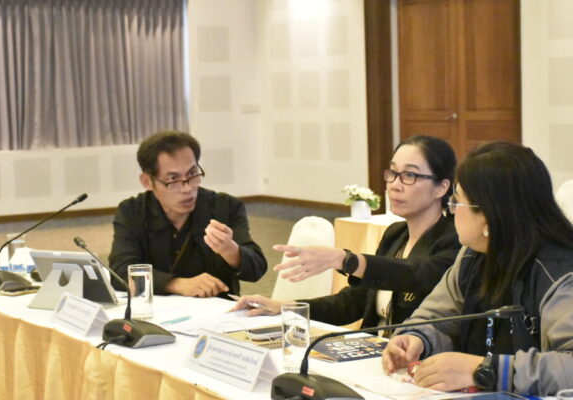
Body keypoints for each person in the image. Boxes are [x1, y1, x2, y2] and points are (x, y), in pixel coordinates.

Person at [382, 142, 573, 396]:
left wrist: (484, 370)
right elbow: (436, 319)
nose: (451, 210)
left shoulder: (568, 278)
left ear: (489, 217)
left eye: (457, 202)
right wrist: (417, 339)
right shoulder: (472, 256)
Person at [232, 136, 461, 331]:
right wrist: (284, 307)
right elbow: (353, 303)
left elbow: (415, 274)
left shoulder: (455, 240)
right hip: (374, 351)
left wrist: (346, 259)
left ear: (441, 187)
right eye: (393, 172)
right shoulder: (395, 234)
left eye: (409, 175)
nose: (394, 185)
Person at [108, 130, 267, 297]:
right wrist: (175, 284)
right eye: (173, 179)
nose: (187, 188)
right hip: (156, 308)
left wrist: (231, 251)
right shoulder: (132, 211)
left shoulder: (225, 207)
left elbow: (257, 268)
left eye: (192, 174)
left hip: (216, 308)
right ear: (147, 182)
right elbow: (119, 272)